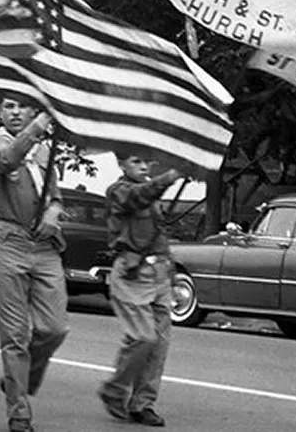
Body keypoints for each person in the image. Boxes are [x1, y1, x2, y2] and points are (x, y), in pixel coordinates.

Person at [0, 97, 69, 432]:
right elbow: (7, 160)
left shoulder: (45, 153)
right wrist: (39, 126)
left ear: (32, 110)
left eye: (22, 107)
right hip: (9, 243)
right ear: (0, 113)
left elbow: (56, 196)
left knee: (54, 328)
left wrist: (53, 211)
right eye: (7, 106)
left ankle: (17, 379)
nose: (15, 112)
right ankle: (19, 412)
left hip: (45, 247)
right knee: (15, 335)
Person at [98, 149, 181, 428]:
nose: (144, 166)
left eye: (147, 161)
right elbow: (137, 198)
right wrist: (167, 178)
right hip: (133, 274)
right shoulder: (118, 191)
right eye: (136, 161)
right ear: (122, 164)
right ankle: (114, 389)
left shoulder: (149, 193)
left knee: (159, 345)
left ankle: (142, 404)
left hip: (158, 273)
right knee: (143, 337)